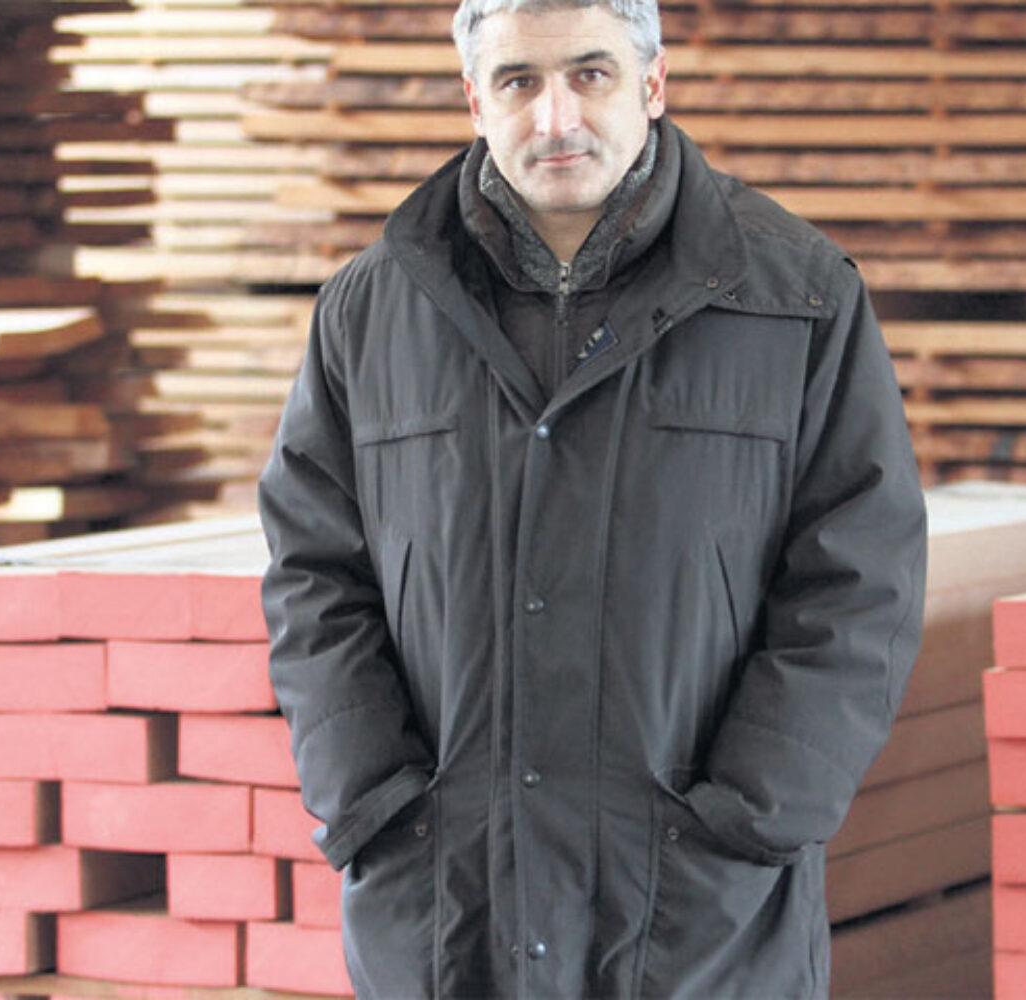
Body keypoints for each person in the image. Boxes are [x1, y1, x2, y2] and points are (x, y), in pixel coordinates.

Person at [257, 0, 927, 993]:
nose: (556, 117)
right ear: (474, 101)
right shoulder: (372, 310)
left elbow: (859, 581)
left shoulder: (795, 299)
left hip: (697, 913)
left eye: (590, 73)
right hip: (446, 907)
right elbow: (313, 572)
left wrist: (752, 818)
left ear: (652, 85)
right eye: (518, 82)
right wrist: (371, 801)